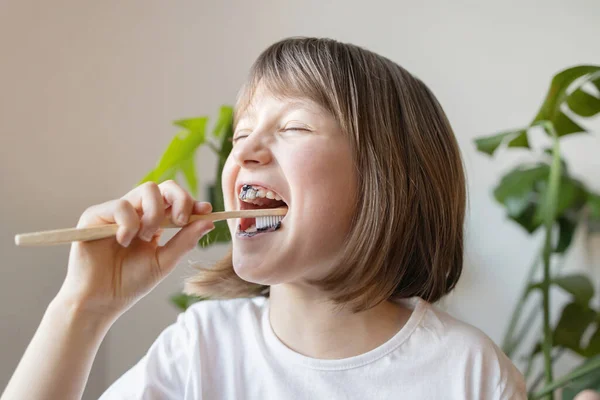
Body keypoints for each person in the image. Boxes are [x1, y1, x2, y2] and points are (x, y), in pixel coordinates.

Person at [2, 37, 528, 399]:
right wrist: (83, 308)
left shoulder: (470, 373)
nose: (246, 149)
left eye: (295, 127)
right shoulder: (201, 347)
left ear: (386, 178)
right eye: (240, 133)